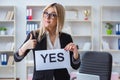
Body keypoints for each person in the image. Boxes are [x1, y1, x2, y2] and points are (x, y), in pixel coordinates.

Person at [14, 3, 80, 80]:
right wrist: (25, 46)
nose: (47, 17)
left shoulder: (66, 38)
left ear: (59, 18)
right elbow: (16, 58)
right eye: (46, 13)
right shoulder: (34, 35)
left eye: (53, 15)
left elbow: (75, 66)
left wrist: (75, 53)